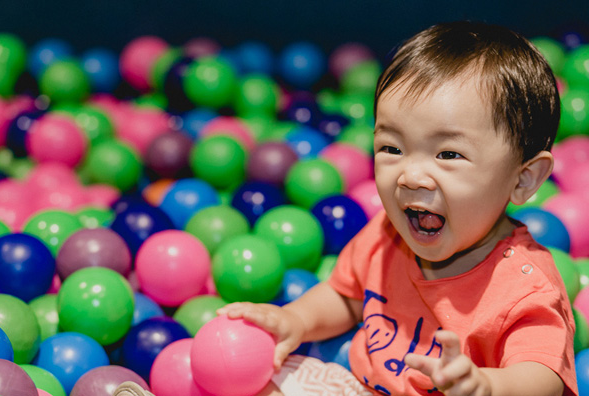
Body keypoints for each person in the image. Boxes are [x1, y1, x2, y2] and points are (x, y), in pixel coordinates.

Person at [217, 21, 575, 395]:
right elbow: (346, 295)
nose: (411, 176)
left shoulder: (526, 286)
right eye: (392, 148)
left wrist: (485, 385)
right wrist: (296, 320)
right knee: (263, 380)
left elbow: (542, 376)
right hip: (361, 387)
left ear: (523, 179)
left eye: (448, 154)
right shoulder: (387, 233)